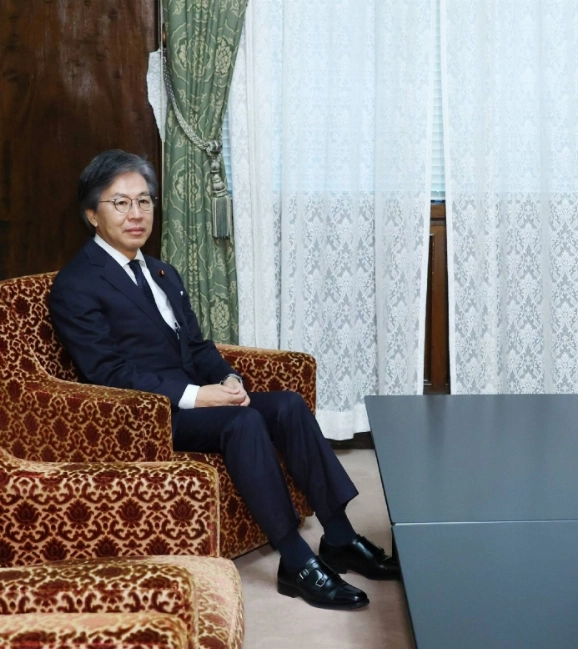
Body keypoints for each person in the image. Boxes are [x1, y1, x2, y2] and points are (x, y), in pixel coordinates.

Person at [49, 149, 400, 611]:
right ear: (92, 213)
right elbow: (107, 373)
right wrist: (198, 395)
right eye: (121, 203)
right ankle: (295, 561)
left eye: (145, 201)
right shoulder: (77, 285)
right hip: (145, 415)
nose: (136, 214)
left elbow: (195, 346)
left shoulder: (160, 271)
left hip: (192, 399)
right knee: (243, 424)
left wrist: (227, 379)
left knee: (289, 404)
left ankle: (338, 536)